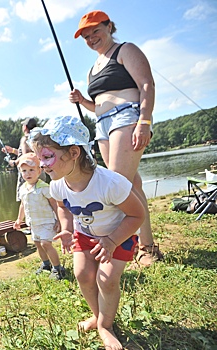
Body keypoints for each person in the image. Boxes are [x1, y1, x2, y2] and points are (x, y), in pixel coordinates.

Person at [28, 115, 145, 350]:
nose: (42, 165)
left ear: (74, 153)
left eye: (48, 157)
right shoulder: (57, 184)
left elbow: (137, 215)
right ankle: (98, 315)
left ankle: (106, 326)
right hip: (84, 234)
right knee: (82, 274)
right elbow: (62, 207)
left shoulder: (110, 183)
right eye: (41, 159)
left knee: (107, 279)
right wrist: (67, 228)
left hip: (117, 235)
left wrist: (111, 241)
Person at [69, 10, 163, 267]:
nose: (91, 39)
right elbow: (98, 104)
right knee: (131, 183)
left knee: (118, 185)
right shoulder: (92, 69)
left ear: (109, 26)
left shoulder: (125, 50)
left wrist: (144, 121)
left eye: (95, 31)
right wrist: (83, 101)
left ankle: (130, 247)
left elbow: (146, 85)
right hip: (102, 125)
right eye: (86, 36)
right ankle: (148, 245)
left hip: (127, 117)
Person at [12, 152, 65, 280]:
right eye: (24, 171)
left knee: (46, 243)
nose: (28, 174)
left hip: (46, 221)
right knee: (37, 243)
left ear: (39, 170)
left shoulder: (44, 187)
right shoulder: (23, 188)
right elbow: (23, 205)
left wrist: (59, 220)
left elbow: (54, 204)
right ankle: (46, 264)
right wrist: (19, 219)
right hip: (33, 223)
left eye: (31, 170)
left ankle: (57, 268)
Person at [1, 117, 38, 201]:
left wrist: (13, 162)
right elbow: (31, 154)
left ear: (25, 127)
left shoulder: (25, 138)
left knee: (24, 199)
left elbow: (26, 158)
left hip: (27, 174)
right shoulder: (37, 138)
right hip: (38, 172)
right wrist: (12, 150)